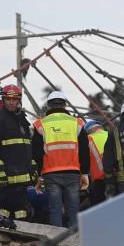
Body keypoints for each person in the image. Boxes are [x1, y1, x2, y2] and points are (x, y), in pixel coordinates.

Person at [31, 91, 90, 227]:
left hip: (50, 173)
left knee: (55, 209)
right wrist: (85, 172)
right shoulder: (77, 123)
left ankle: (56, 244)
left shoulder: (40, 124)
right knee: (73, 210)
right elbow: (84, 150)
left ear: (49, 106)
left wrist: (39, 174)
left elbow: (36, 153)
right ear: (65, 105)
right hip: (73, 172)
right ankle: (76, 242)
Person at [0, 84, 36, 221]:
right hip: (6, 176)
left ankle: (21, 238)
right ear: (3, 99)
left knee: (22, 211)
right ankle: (1, 237)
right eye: (8, 99)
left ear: (19, 100)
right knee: (4, 210)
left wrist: (32, 167)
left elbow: (27, 146)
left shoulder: (23, 120)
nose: (11, 102)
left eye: (14, 99)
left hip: (23, 176)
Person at [84, 119, 109, 206]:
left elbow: (84, 162)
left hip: (100, 178)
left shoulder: (88, 140)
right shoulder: (110, 134)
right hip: (117, 173)